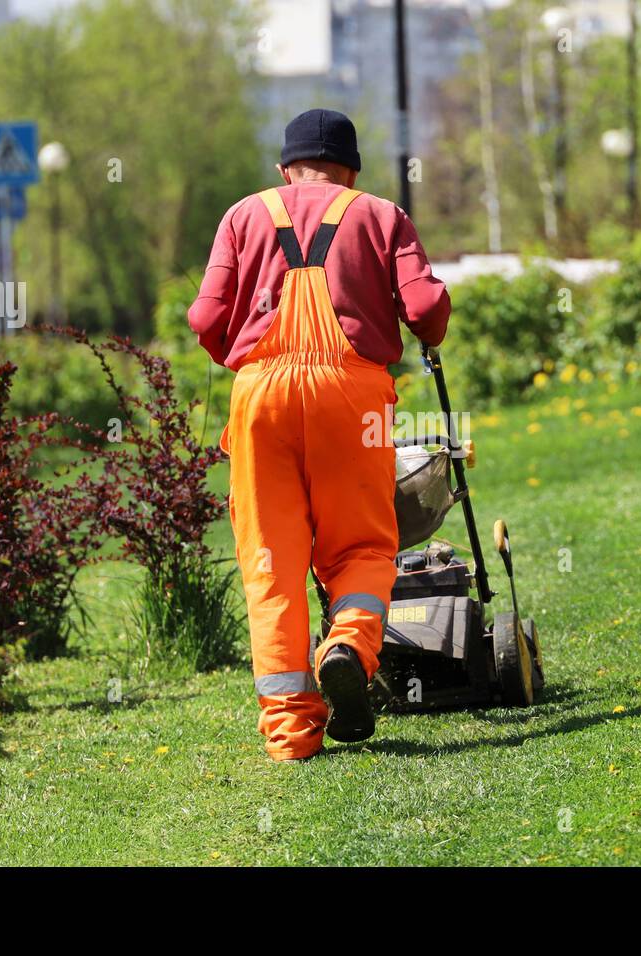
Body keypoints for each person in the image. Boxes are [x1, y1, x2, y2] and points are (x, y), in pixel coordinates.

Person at [188, 109, 451, 762]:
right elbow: (422, 309)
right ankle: (348, 647)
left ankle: (291, 736)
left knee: (271, 566)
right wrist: (430, 326)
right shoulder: (381, 215)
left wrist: (243, 357)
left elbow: (205, 317)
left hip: (260, 401)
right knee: (361, 544)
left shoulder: (243, 216)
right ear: (351, 172)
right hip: (352, 396)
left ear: (284, 169)